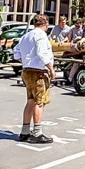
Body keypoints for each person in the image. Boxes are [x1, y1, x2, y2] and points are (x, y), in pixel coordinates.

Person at [13, 13, 56, 144]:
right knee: (39, 101)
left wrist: (25, 61)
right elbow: (42, 53)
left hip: (27, 70)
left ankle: (25, 131)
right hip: (39, 71)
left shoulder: (26, 36)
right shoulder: (41, 35)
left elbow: (16, 51)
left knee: (30, 100)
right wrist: (51, 68)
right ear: (46, 24)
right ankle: (37, 133)